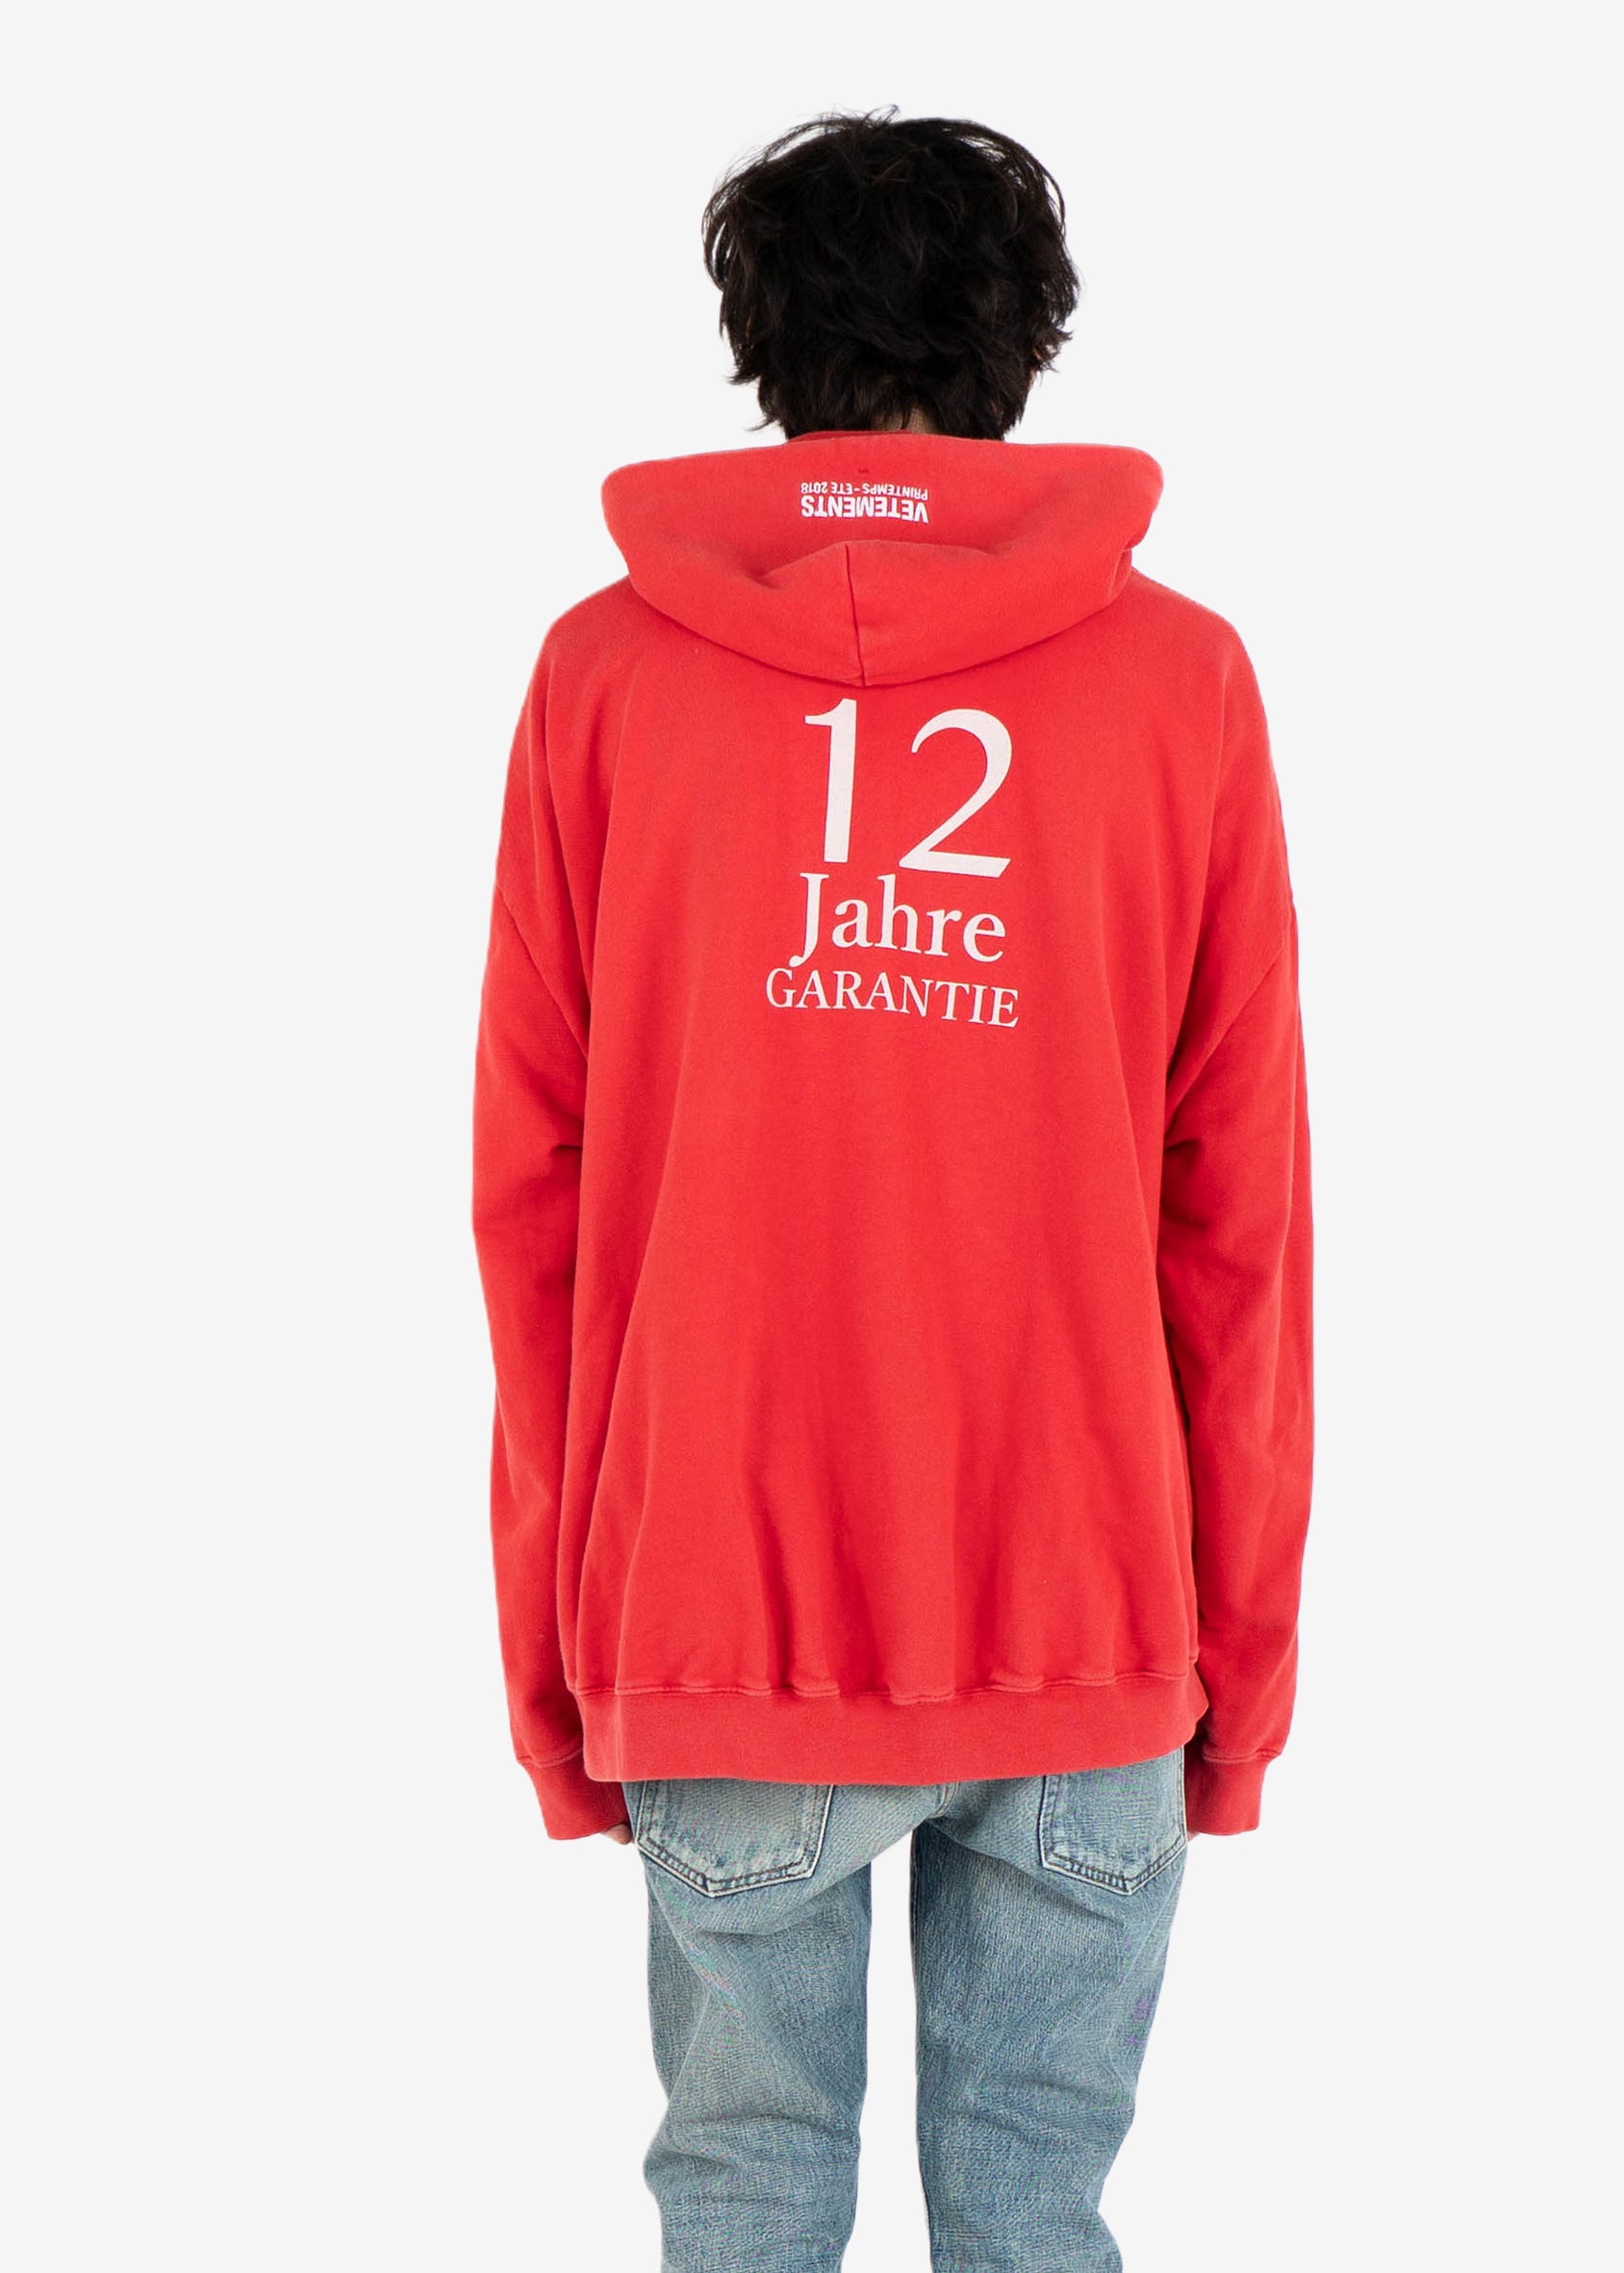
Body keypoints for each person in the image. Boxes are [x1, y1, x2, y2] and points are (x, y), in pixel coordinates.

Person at [471, 108, 1314, 2273]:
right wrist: (1240, 1664)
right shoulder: (1182, 684)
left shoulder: (604, 678)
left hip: (717, 1613)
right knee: (1036, 2214)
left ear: (764, 349)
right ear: (1023, 345)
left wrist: (562, 1662)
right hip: (1087, 1607)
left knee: (745, 2198)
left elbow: (528, 1202)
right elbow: (1241, 1219)